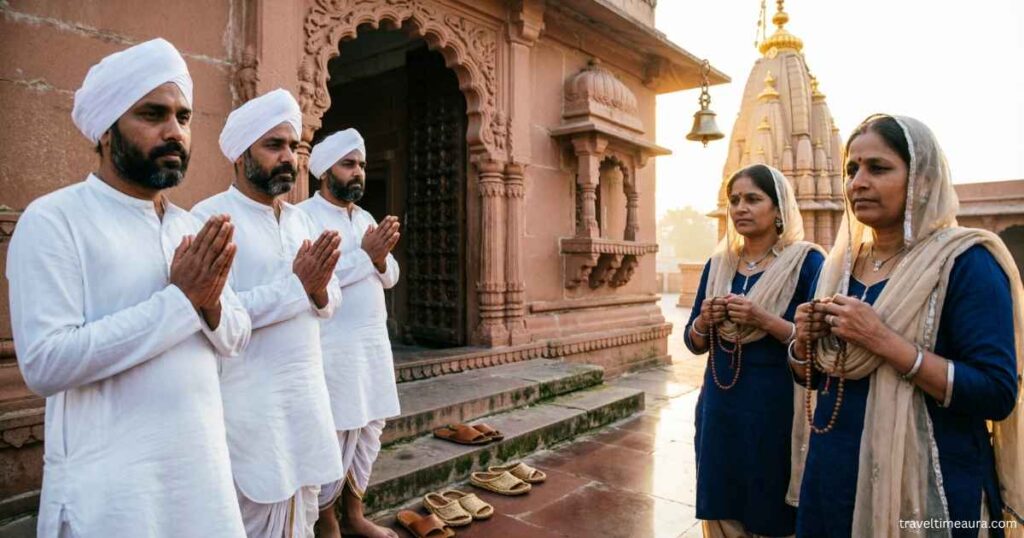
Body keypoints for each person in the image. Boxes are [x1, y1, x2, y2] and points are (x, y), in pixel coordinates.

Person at [6, 38, 250, 537]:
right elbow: (46, 363)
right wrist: (181, 302)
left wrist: (209, 305)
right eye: (152, 114)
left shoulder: (190, 226)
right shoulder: (55, 220)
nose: (174, 132)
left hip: (201, 476)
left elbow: (237, 337)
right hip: (111, 496)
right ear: (105, 130)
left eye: (184, 117)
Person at [792, 114, 1023, 537]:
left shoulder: (965, 263)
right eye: (851, 169)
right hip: (835, 474)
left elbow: (997, 392)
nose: (858, 182)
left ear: (924, 179)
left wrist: (882, 340)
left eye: (877, 168)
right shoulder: (838, 267)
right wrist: (802, 342)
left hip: (929, 482)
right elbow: (817, 376)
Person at [192, 89, 344, 538]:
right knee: (254, 514)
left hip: (307, 394)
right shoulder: (211, 218)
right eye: (273, 146)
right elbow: (221, 316)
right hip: (250, 403)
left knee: (305, 509)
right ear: (241, 154)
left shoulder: (301, 220)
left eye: (293, 148)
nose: (288, 158)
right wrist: (299, 287)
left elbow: (331, 299)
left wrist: (315, 290)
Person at [685, 164, 825, 537]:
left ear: (778, 209)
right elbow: (693, 341)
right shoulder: (720, 264)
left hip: (775, 409)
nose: (740, 208)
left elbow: (820, 347)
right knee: (721, 496)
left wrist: (765, 320)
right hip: (720, 405)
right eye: (734, 201)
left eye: (752, 199)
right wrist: (704, 320)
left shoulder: (807, 263)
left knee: (769, 504)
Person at [300, 128, 401, 538]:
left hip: (373, 344)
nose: (358, 171)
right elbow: (318, 278)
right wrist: (368, 256)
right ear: (325, 172)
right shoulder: (304, 217)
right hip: (334, 348)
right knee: (337, 430)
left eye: (360, 164)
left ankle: (355, 514)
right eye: (348, 164)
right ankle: (326, 521)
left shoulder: (364, 218)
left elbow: (391, 275)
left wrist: (377, 258)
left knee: (370, 428)